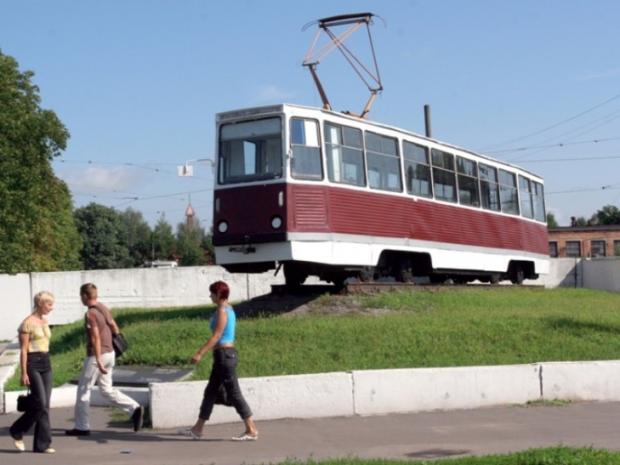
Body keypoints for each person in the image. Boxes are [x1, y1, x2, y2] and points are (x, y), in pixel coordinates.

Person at [65, 283, 144, 436]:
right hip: (110, 353)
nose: (80, 299)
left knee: (83, 390)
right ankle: (134, 409)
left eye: (81, 296)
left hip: (97, 357)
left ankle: (82, 427)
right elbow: (114, 327)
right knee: (106, 389)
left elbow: (95, 338)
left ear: (85, 296)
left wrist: (98, 360)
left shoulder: (90, 314)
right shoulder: (103, 307)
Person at [184, 280, 258, 441]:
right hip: (223, 356)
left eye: (212, 293)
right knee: (210, 392)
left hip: (225, 355)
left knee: (234, 393)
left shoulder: (223, 310)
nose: (210, 295)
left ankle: (251, 429)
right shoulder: (226, 308)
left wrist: (199, 353)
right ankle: (198, 429)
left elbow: (217, 335)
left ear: (218, 294)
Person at [9, 291, 56, 453]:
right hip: (32, 363)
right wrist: (24, 373)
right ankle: (17, 430)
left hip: (46, 362)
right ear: (40, 304)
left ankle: (42, 445)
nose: (51, 307)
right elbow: (23, 350)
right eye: (49, 304)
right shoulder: (27, 323)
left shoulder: (44, 321)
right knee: (40, 404)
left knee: (45, 406)